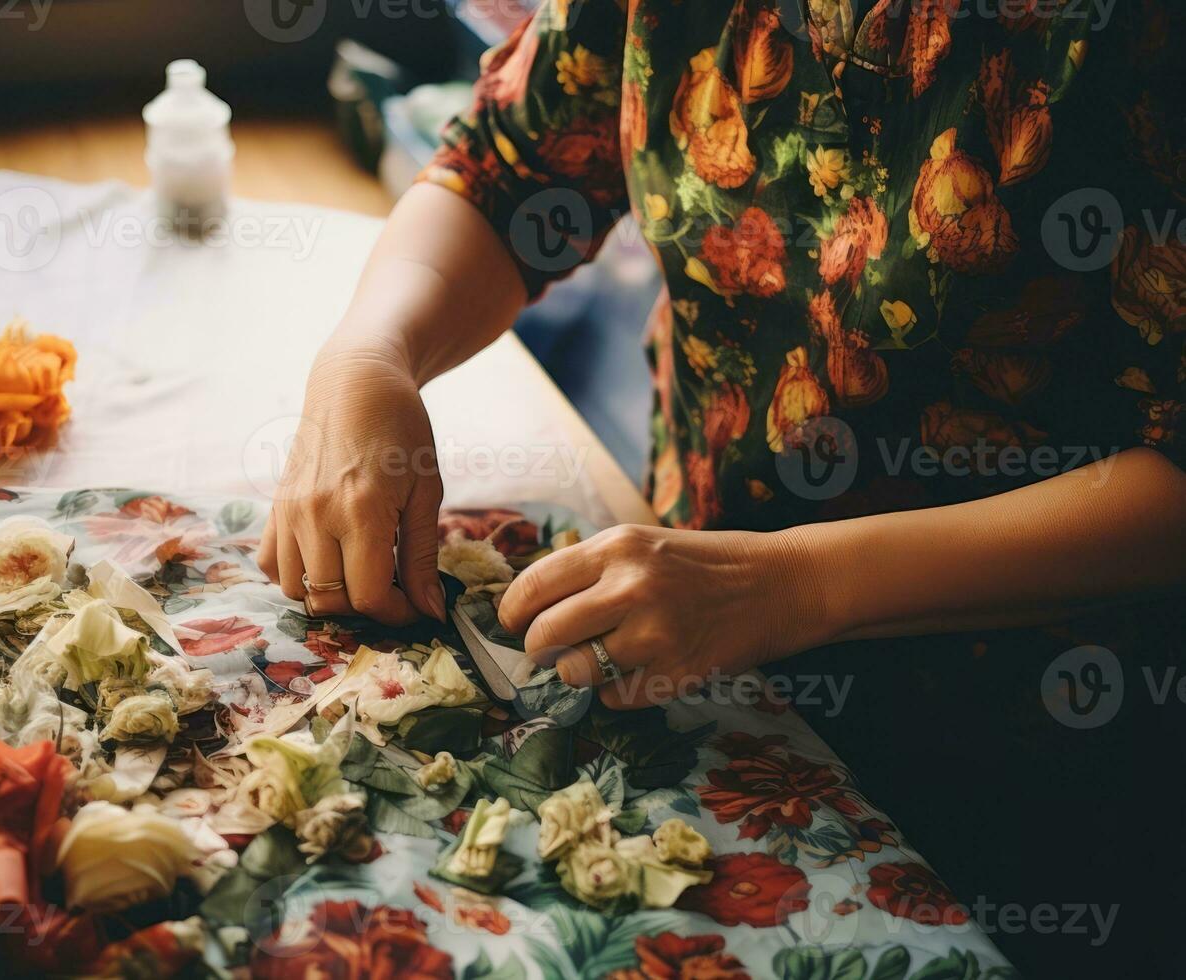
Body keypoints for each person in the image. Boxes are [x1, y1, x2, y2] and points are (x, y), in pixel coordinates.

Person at [259, 0, 1184, 973]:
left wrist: (789, 583)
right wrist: (367, 356)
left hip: (1036, 732)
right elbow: (509, 175)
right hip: (700, 629)